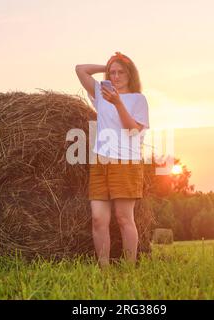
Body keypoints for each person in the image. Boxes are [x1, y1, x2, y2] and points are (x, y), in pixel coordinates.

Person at [75, 52, 150, 268]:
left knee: (124, 218)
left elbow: (133, 130)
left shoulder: (138, 99)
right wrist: (106, 66)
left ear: (130, 74)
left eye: (121, 72)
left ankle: (128, 268)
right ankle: (104, 270)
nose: (116, 76)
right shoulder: (101, 92)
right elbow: (80, 68)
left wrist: (118, 102)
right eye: (113, 72)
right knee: (98, 219)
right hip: (100, 163)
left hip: (126, 162)